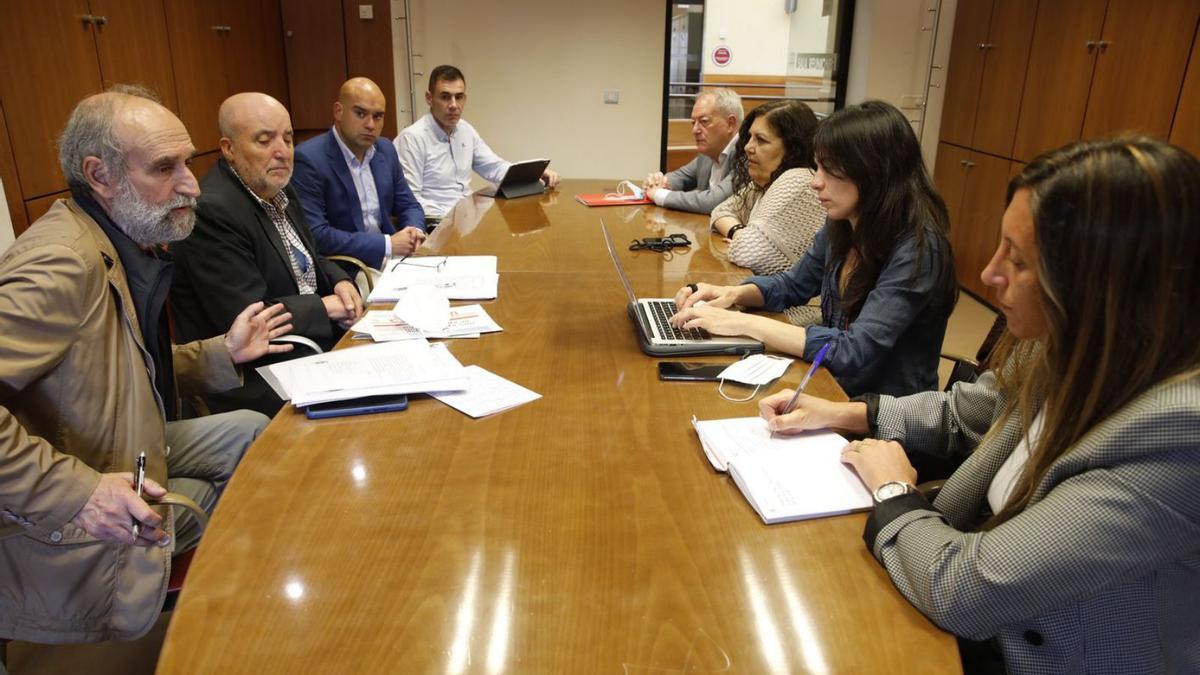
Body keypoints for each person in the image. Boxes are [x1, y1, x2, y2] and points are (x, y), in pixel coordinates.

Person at [759, 137, 1200, 675]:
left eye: (1017, 260)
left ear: (1106, 285)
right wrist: (842, 414)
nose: (989, 275)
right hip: (965, 587)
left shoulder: (1179, 436)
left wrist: (893, 490)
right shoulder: (1068, 343)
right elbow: (968, 410)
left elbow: (967, 589)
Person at [0, 87, 291, 643]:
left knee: (254, 434)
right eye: (165, 167)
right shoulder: (59, 265)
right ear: (100, 175)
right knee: (209, 498)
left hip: (112, 445)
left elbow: (115, 370)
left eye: (187, 161)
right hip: (63, 495)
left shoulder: (121, 237)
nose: (191, 183)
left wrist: (219, 355)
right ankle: (227, 629)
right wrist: (78, 493)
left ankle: (248, 599)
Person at [672, 100, 957, 397]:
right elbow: (793, 284)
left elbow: (854, 350)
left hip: (880, 420)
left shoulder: (919, 249)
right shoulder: (845, 224)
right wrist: (732, 294)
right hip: (830, 385)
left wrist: (742, 322)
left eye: (830, 171)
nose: (816, 183)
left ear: (874, 173)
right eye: (818, 167)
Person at [171, 93, 363, 417]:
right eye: (264, 140)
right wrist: (324, 307)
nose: (283, 152)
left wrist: (340, 281)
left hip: (309, 345)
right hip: (259, 372)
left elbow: (310, 256)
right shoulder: (212, 212)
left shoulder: (279, 187)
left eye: (288, 139)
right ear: (229, 148)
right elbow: (251, 318)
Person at [707, 99, 825, 326]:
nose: (748, 147)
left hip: (800, 314)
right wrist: (739, 230)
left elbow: (745, 251)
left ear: (792, 147)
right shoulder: (764, 183)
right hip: (771, 298)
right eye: (749, 137)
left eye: (761, 140)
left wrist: (740, 238)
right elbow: (720, 211)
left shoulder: (797, 179)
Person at [395, 65, 560, 221]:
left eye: (459, 97)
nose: (453, 105)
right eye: (445, 97)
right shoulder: (412, 138)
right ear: (429, 98)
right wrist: (452, 217)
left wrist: (532, 174)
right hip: (436, 225)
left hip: (466, 221)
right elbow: (411, 200)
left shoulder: (465, 130)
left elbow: (494, 167)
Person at [292, 77, 426, 270]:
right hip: (348, 268)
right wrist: (387, 244)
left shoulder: (385, 150)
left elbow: (408, 204)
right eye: (360, 113)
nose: (370, 124)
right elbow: (316, 234)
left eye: (378, 116)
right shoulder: (308, 159)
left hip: (394, 260)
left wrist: (414, 231)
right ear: (338, 112)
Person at [642, 88, 742, 214]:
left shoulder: (748, 155)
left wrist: (659, 194)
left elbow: (714, 202)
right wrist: (658, 183)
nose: (695, 130)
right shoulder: (708, 154)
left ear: (730, 124)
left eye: (704, 122)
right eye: (693, 122)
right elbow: (680, 177)